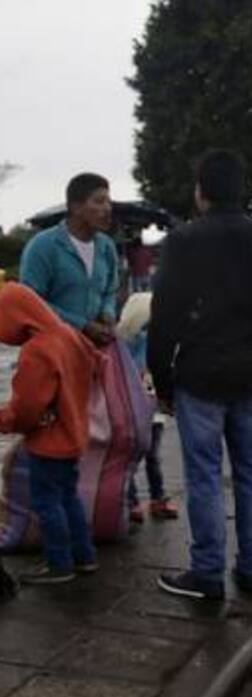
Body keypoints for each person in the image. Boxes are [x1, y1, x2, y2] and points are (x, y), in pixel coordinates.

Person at [148, 149, 252, 602]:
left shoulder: (182, 242)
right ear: (241, 189)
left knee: (205, 476)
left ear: (201, 190)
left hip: (199, 376)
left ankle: (208, 573)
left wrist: (162, 378)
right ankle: (251, 571)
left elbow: (165, 316)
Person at [0, 283, 103, 584]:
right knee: (69, 496)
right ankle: (84, 556)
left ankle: (59, 563)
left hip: (49, 442)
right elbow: (97, 365)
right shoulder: (71, 336)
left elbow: (27, 408)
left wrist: (4, 420)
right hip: (74, 434)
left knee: (46, 502)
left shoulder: (38, 350)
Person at [19, 172, 119, 347]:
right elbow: (31, 301)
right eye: (99, 201)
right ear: (75, 207)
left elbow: (111, 290)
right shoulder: (43, 246)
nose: (107, 208)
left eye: (108, 202)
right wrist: (82, 325)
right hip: (53, 351)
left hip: (95, 352)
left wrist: (107, 313)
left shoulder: (107, 247)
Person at [116, 292, 178, 524]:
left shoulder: (132, 341)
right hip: (141, 405)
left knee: (143, 455)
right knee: (145, 455)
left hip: (147, 407)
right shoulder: (131, 342)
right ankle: (145, 499)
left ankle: (143, 499)